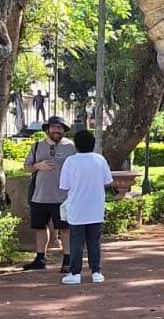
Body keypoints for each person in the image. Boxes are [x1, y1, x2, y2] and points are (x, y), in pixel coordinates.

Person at [58, 129, 115, 285]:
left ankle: (75, 273)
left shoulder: (70, 161)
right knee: (94, 241)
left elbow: (64, 185)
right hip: (96, 207)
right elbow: (108, 181)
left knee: (76, 241)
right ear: (93, 144)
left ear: (76, 145)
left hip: (77, 207)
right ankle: (96, 272)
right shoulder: (100, 160)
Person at [22, 116, 75, 272]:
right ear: (47, 129)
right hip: (40, 195)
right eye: (53, 127)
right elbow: (27, 167)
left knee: (65, 229)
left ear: (64, 130)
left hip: (63, 197)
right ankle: (40, 258)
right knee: (40, 227)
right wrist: (37, 165)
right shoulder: (37, 146)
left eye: (60, 128)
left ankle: (67, 259)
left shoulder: (71, 147)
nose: (56, 130)